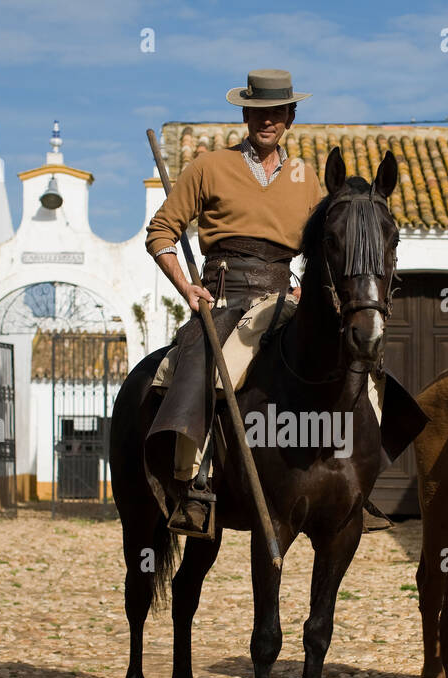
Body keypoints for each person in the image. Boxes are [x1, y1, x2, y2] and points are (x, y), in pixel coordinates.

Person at [144, 69, 326, 535]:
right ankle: (192, 485)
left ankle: (351, 482)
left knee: (352, 367)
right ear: (246, 114)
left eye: (277, 112)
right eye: (258, 111)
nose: (268, 120)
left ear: (290, 116)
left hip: (284, 300)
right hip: (224, 298)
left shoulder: (308, 178)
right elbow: (162, 232)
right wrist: (188, 287)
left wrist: (307, 284)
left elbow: (324, 244)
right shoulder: (209, 166)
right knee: (205, 364)